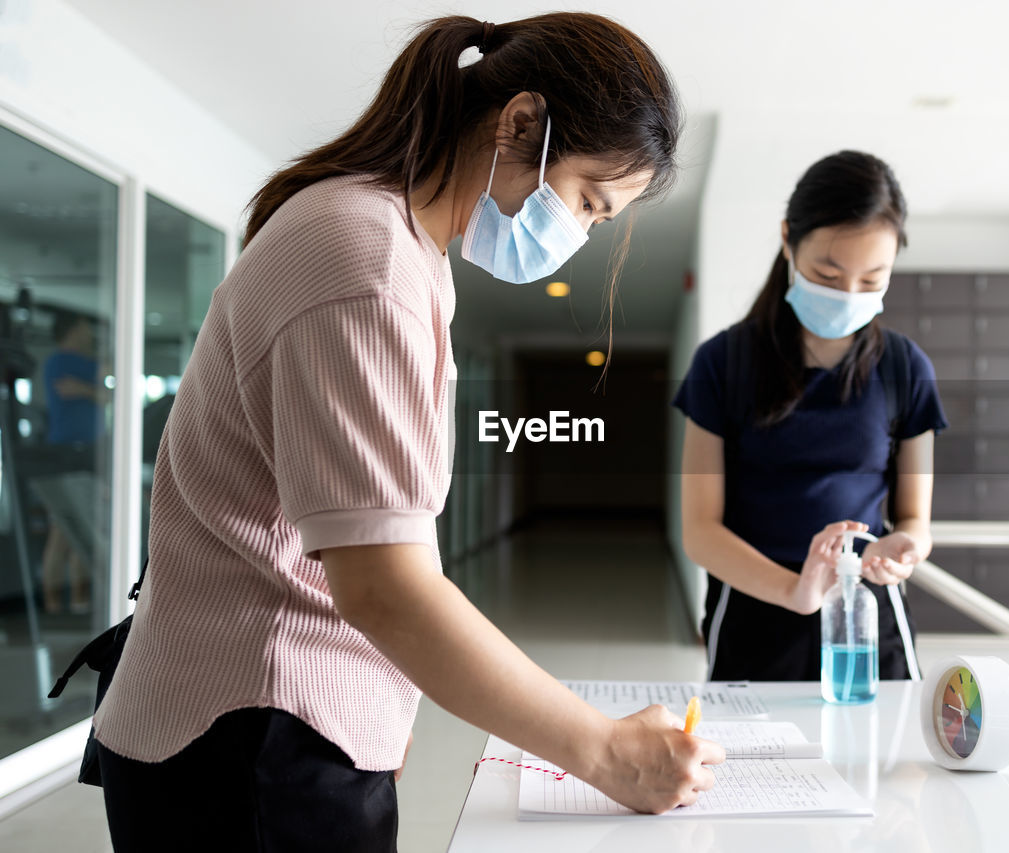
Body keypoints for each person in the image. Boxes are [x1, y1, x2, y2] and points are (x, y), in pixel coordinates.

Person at [93, 14, 722, 851]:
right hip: (251, 733)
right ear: (520, 123)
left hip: (267, 717)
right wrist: (606, 752)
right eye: (586, 203)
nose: (578, 236)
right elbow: (384, 585)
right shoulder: (368, 260)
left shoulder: (396, 248)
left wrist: (383, 688)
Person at [675, 151, 948, 683]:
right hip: (754, 612)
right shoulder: (723, 362)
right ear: (788, 240)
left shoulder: (904, 366)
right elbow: (699, 530)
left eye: (872, 281)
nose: (847, 294)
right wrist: (792, 590)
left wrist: (906, 547)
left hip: (867, 611)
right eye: (827, 272)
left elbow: (916, 520)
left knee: (878, 760)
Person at [40, 311, 107, 613]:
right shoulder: (61, 361)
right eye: (83, 328)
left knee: (80, 526)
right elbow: (104, 393)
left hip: (87, 452)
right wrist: (92, 390)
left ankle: (79, 601)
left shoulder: (86, 363)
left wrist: (87, 390)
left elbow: (105, 392)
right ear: (73, 330)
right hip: (68, 453)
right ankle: (54, 605)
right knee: (62, 531)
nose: (88, 334)